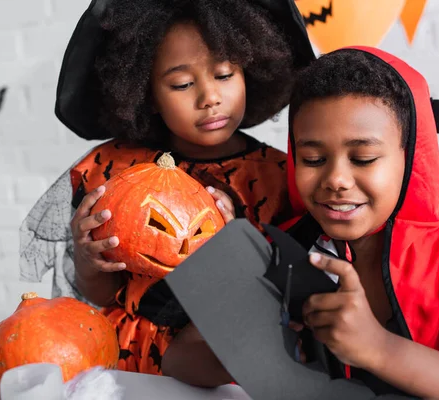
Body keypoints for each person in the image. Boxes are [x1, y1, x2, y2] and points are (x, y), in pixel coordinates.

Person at [18, 0, 315, 387]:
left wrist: (236, 247)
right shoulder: (114, 169)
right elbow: (102, 295)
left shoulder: (278, 175)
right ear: (147, 94)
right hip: (136, 345)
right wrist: (89, 258)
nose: (209, 97)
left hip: (231, 346)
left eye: (224, 75)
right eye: (182, 84)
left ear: (250, 72)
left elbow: (286, 288)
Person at [276, 47, 439, 398]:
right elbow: (183, 363)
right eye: (314, 158)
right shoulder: (278, 251)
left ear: (409, 155)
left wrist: (378, 348)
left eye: (363, 158)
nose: (336, 178)